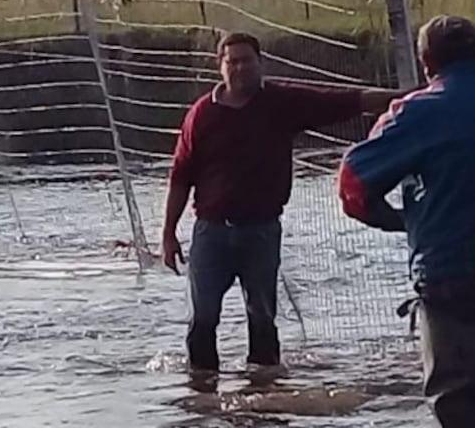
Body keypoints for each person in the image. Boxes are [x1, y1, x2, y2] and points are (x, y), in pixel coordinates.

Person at [336, 15, 475, 428]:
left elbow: (353, 182)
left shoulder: (419, 110)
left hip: (454, 271)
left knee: (458, 402)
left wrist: (399, 221)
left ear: (426, 63)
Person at [161, 31, 400, 380]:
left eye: (247, 60)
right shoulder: (202, 115)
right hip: (211, 232)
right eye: (233, 61)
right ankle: (201, 393)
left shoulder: (280, 102)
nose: (240, 68)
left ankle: (266, 390)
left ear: (261, 64)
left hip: (261, 230)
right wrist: (168, 234)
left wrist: (406, 98)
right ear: (220, 67)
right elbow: (180, 176)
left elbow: (345, 101)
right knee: (202, 316)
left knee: (261, 314)